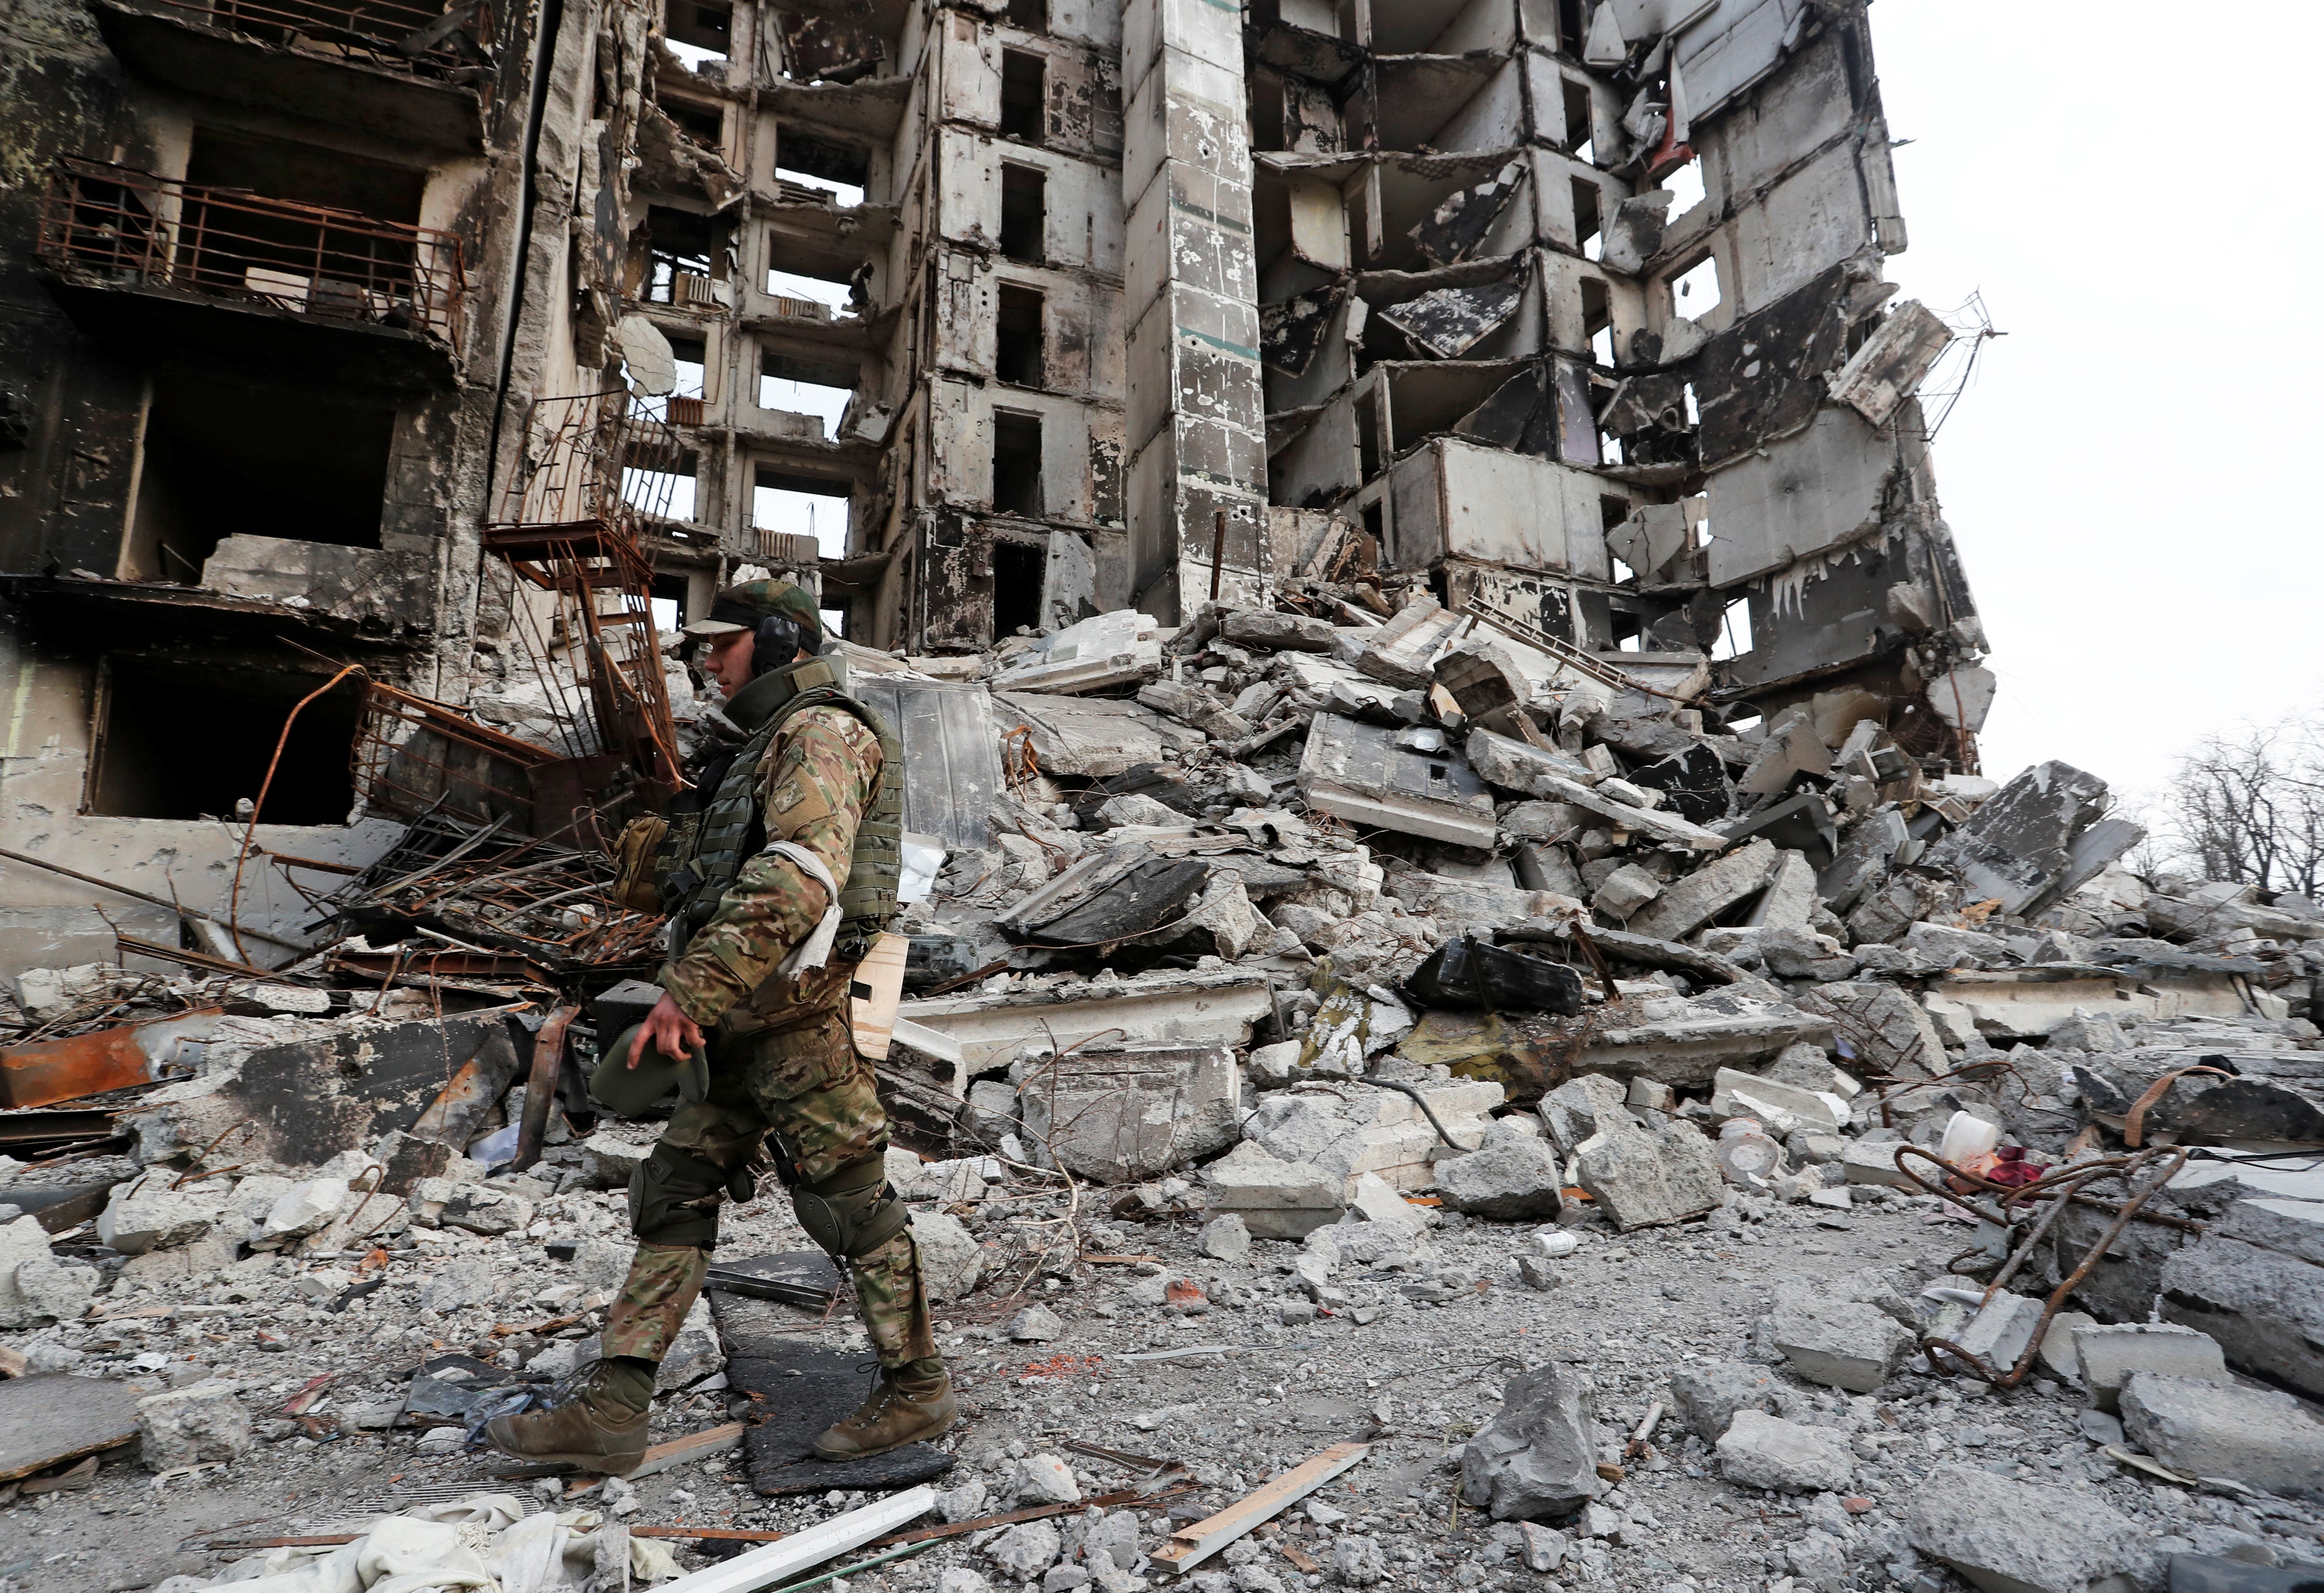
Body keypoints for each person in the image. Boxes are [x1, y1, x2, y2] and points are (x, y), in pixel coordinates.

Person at [486, 580, 953, 1475]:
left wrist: (689, 993)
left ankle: (917, 1389)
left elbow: (799, 881)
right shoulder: (758, 746)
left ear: (777, 641)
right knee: (673, 1193)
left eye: (723, 642)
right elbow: (722, 874)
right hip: (736, 1026)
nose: (705, 658)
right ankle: (615, 1407)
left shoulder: (823, 732)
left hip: (792, 1023)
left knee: (847, 1205)